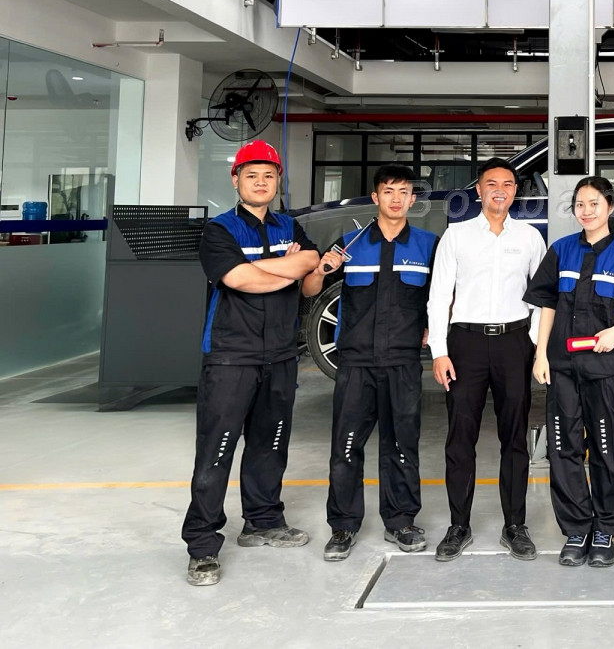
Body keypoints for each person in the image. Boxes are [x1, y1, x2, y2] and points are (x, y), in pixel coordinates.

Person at [183, 140, 320, 587]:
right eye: (251, 175)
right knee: (217, 450)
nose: (261, 183)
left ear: (278, 180)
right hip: (230, 354)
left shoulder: (289, 224)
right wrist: (287, 265)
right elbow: (240, 280)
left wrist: (282, 266)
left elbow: (310, 268)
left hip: (280, 353)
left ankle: (263, 521)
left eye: (268, 175)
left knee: (270, 443)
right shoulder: (219, 230)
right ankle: (202, 546)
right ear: (235, 179)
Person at [301, 164, 438, 562]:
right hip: (356, 363)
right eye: (388, 191)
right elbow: (310, 289)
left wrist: (433, 328)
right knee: (346, 446)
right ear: (376, 197)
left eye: (404, 192)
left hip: (402, 362)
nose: (396, 199)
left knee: (401, 445)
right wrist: (322, 268)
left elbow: (442, 296)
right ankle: (343, 526)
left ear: (413, 199)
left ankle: (401, 522)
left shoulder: (429, 245)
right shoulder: (349, 243)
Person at [426, 157, 546, 562]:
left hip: (514, 342)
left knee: (514, 438)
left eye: (507, 184)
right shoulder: (456, 236)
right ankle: (459, 525)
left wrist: (532, 344)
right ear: (478, 191)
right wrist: (439, 351)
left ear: (515, 191)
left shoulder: (529, 237)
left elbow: (541, 296)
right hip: (466, 345)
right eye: (491, 184)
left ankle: (515, 526)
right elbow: (439, 296)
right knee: (461, 438)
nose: (500, 190)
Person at [525, 176, 614, 568]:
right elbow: (547, 304)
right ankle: (577, 528)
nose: (586, 211)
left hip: (605, 367)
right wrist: (541, 355)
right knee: (564, 447)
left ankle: (606, 527)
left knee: (606, 448)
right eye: (580, 205)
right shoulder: (561, 250)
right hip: (562, 365)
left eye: (594, 204)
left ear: (610, 207)